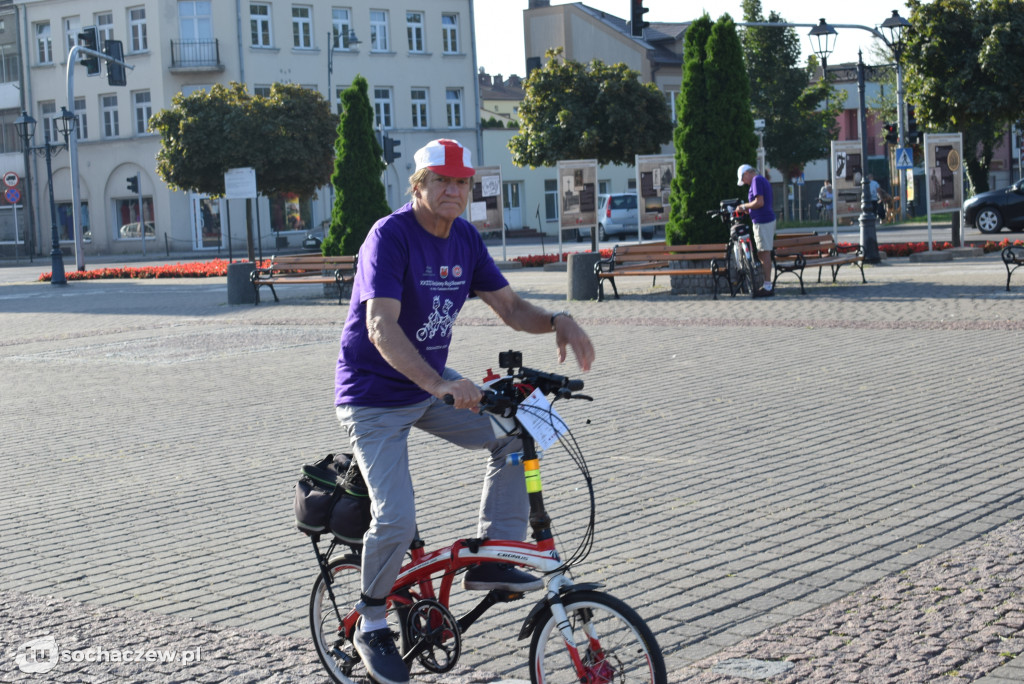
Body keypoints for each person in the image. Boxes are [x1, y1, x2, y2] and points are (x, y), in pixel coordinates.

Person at [334, 138, 595, 684]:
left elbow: (512, 307)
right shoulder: (390, 236)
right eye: (441, 181)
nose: (452, 191)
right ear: (419, 184)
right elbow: (382, 327)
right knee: (398, 518)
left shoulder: (465, 239)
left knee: (519, 429)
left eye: (461, 183)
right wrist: (439, 382)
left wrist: (557, 320)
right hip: (374, 398)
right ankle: (373, 622)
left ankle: (490, 559)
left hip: (428, 390)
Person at [736, 164, 776, 298]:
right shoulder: (760, 180)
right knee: (763, 253)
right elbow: (758, 204)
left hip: (763, 222)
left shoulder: (756, 180)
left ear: (747, 173)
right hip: (764, 220)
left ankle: (767, 285)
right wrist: (749, 209)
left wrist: (743, 206)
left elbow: (759, 202)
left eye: (743, 179)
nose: (745, 182)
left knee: (764, 253)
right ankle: (767, 284)